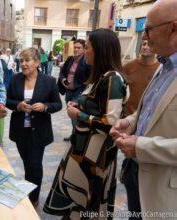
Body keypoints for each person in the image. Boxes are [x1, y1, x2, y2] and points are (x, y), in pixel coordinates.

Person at [44, 29, 129, 219]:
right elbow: (95, 106)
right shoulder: (100, 76)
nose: (84, 52)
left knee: (89, 204)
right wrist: (80, 105)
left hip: (96, 157)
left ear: (100, 50)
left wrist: (79, 114)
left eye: (88, 48)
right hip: (85, 153)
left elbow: (111, 124)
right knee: (80, 203)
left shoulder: (113, 79)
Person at [110, 0, 177, 216]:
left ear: (173, 28)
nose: (145, 36)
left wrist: (141, 147)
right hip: (135, 171)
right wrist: (129, 122)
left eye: (148, 29)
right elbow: (151, 109)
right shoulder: (165, 65)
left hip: (163, 189)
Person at [6, 47, 62, 207]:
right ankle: (29, 189)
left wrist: (45, 107)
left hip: (39, 132)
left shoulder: (49, 81)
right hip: (20, 131)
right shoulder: (16, 79)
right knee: (27, 163)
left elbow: (58, 104)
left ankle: (33, 198)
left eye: (27, 60)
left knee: (34, 165)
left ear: (37, 62)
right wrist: (18, 105)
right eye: (21, 60)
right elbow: (8, 100)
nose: (23, 64)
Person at [120, 39, 160, 219]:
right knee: (131, 180)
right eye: (143, 42)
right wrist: (126, 120)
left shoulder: (161, 68)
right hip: (132, 128)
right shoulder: (128, 67)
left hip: (153, 137)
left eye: (149, 42)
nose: (146, 45)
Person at [57, 39, 91, 141]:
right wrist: (63, 80)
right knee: (71, 114)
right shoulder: (70, 59)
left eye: (79, 47)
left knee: (75, 113)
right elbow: (62, 72)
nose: (76, 49)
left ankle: (77, 135)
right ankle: (74, 133)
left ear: (84, 49)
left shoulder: (86, 61)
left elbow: (89, 77)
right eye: (75, 47)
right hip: (68, 90)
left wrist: (83, 87)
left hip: (79, 91)